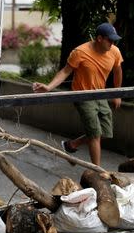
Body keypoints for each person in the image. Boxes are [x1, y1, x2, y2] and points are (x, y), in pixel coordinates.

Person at [32, 22, 123, 166]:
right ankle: (97, 171)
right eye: (110, 40)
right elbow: (65, 71)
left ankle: (71, 145)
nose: (112, 43)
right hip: (82, 95)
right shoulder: (80, 52)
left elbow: (117, 71)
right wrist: (49, 87)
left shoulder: (115, 52)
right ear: (99, 38)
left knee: (106, 132)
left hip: (101, 95)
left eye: (114, 40)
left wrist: (117, 93)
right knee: (94, 135)